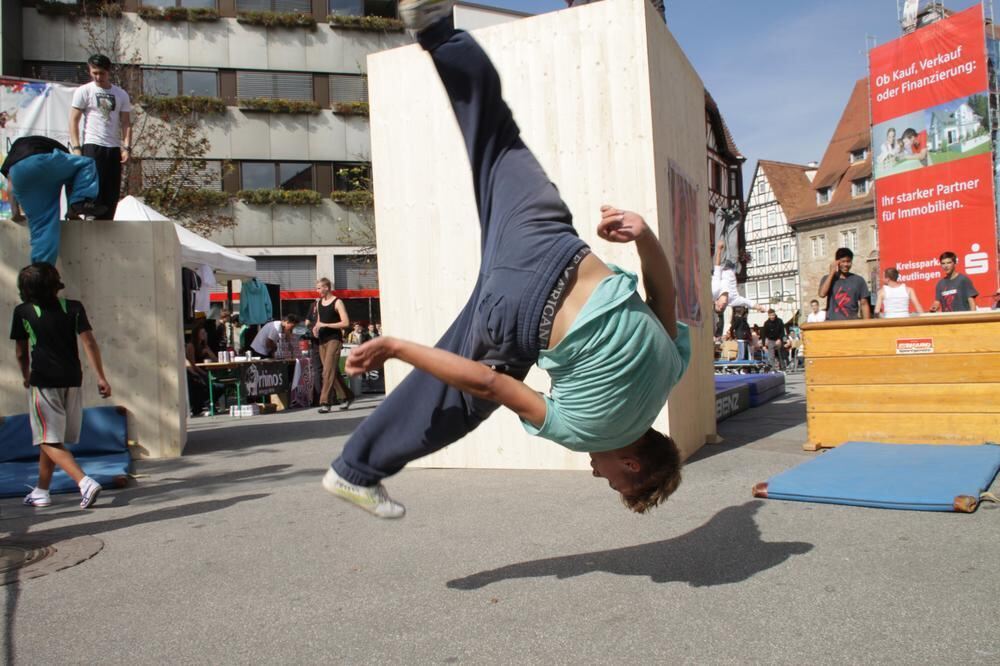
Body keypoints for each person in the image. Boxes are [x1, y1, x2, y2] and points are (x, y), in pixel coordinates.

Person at [323, 3, 690, 519]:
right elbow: (490, 382)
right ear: (632, 465)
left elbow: (662, 298)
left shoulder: (671, 370)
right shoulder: (585, 431)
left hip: (549, 241)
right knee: (463, 403)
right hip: (516, 310)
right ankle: (355, 470)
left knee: (497, 137)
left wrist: (644, 236)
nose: (595, 473)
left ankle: (436, 30)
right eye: (611, 483)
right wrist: (399, 346)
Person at [10, 263, 111, 509]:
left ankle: (84, 481)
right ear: (56, 283)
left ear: (26, 289)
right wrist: (101, 377)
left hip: (43, 380)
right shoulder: (74, 307)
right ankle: (41, 490)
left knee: (46, 438)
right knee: (52, 437)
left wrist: (25, 375)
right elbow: (89, 343)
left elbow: (22, 352)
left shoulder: (23, 311)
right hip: (73, 379)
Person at [0, 135, 105, 265]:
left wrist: (15, 213)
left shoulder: (14, 154)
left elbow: (11, 185)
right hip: (45, 161)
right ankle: (79, 202)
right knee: (86, 164)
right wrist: (74, 208)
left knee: (43, 229)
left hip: (21, 172)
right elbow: (73, 180)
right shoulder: (62, 153)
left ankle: (40, 274)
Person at [69, 54, 132, 219]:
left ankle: (107, 220)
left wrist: (126, 147)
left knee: (111, 191)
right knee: (93, 188)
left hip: (112, 148)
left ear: (108, 72)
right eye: (94, 72)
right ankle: (86, 215)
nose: (98, 77)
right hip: (92, 144)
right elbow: (73, 121)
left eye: (102, 73)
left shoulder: (121, 94)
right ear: (89, 70)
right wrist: (76, 147)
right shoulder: (84, 91)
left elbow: (126, 122)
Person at [306, 278, 354, 413]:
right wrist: (316, 328)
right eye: (316, 288)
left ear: (327, 287)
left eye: (319, 288)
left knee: (327, 371)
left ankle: (325, 402)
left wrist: (326, 325)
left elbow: (345, 323)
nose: (317, 291)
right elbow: (320, 321)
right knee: (332, 371)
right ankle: (347, 396)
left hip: (334, 339)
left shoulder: (338, 302)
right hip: (322, 340)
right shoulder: (319, 303)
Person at [818, 247, 871, 320]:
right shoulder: (828, 279)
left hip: (852, 323)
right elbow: (822, 294)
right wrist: (831, 273)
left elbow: (864, 304)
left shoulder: (859, 280)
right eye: (843, 261)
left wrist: (867, 325)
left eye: (848, 261)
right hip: (832, 324)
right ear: (837, 262)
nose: (846, 264)